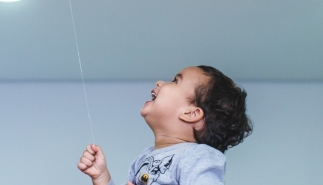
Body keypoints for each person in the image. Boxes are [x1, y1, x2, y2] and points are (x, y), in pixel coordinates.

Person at [77, 66, 252, 185]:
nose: (160, 82)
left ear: (191, 113)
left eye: (175, 81)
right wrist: (102, 177)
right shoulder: (144, 157)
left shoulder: (198, 156)